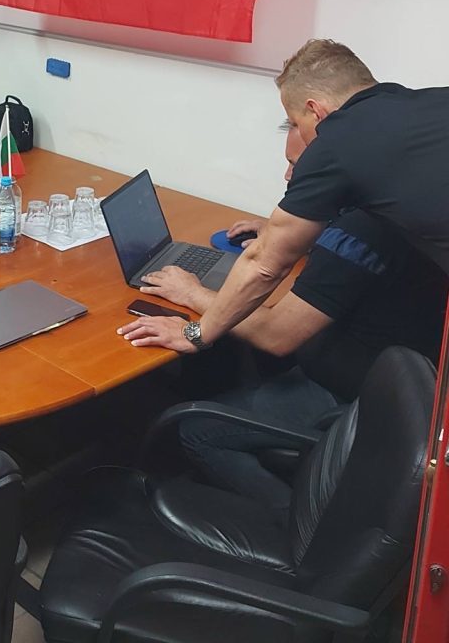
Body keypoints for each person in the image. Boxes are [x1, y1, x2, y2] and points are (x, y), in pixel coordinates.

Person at [132, 122, 448, 515]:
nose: (287, 175)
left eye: (297, 164)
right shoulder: (393, 206)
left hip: (345, 395)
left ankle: (296, 521)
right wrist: (290, 233)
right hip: (388, 376)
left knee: (195, 430)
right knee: (234, 362)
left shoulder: (359, 233)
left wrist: (192, 295)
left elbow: (276, 335)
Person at [120, 38, 449, 354]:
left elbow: (264, 266)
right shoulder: (424, 107)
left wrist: (195, 332)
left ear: (315, 111)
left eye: (295, 122)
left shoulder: (338, 138)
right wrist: (293, 233)